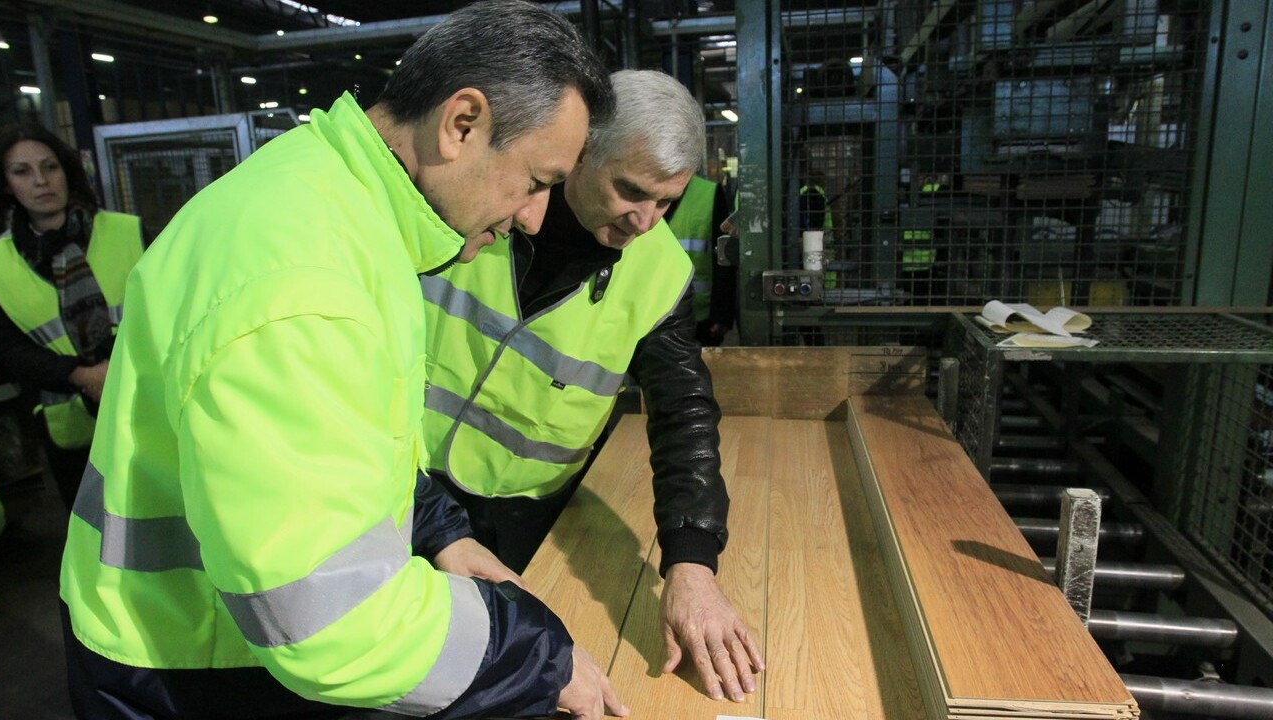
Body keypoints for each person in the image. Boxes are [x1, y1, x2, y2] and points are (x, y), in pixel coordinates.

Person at [58, 2, 625, 719]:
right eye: (538, 181)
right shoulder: (307, 284)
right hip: (191, 668)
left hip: (194, 635)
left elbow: (336, 443)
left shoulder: (329, 201)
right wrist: (537, 657)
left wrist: (436, 531)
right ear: (461, 123)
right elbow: (331, 623)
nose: (534, 218)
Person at [421, 69, 765, 705]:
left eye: (666, 202)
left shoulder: (660, 271)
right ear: (581, 151)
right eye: (630, 191)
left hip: (528, 515)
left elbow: (683, 409)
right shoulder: (480, 205)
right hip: (403, 488)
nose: (646, 220)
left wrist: (691, 561)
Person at [0, 124, 144, 511]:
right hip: (71, 425)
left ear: (66, 170)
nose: (41, 181)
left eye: (50, 167)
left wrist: (116, 367)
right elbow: (6, 348)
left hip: (144, 402)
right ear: (7, 184)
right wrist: (84, 376)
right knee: (94, 526)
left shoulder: (128, 231)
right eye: (22, 172)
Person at [665, 175, 736, 346]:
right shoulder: (640, 188)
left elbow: (724, 260)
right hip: (646, 313)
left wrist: (722, 315)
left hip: (699, 319)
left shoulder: (709, 193)